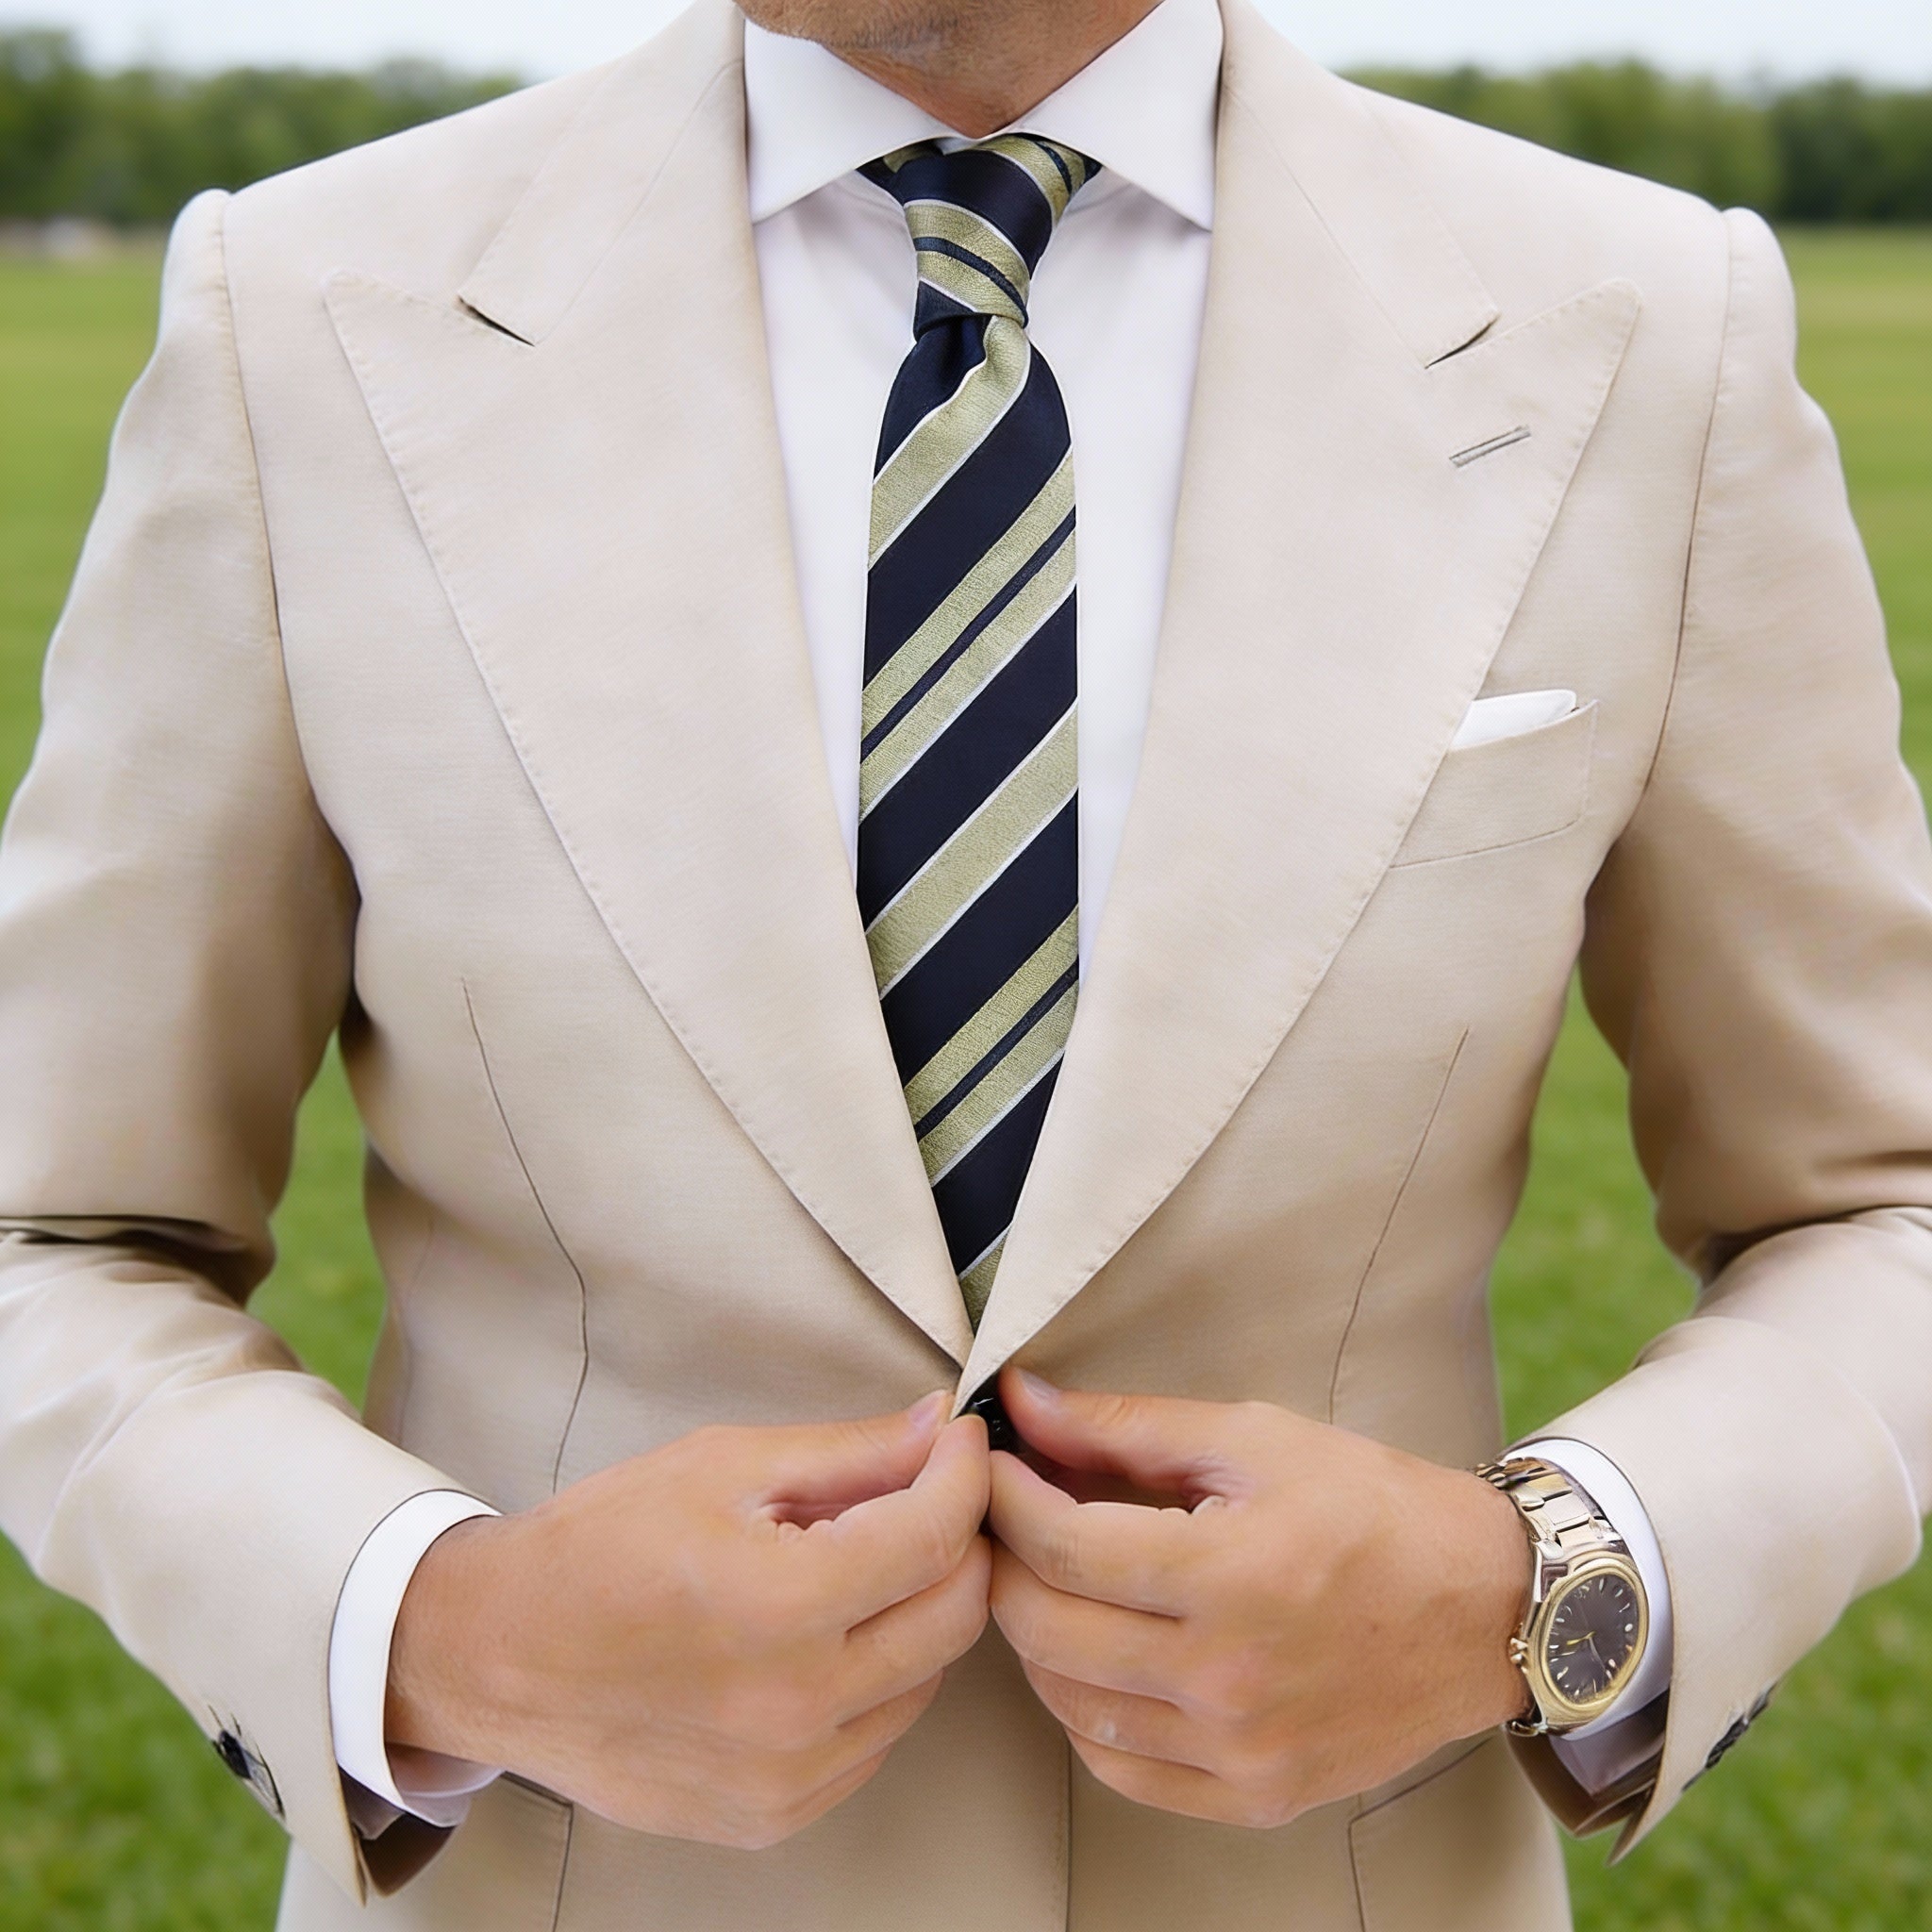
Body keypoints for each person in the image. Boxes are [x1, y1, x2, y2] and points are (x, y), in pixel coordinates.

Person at [1, 0, 1927, 1924]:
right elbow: (53, 1232)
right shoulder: (302, 314)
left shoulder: (1648, 325)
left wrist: (1546, 1584)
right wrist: (448, 1629)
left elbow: (1881, 1201)